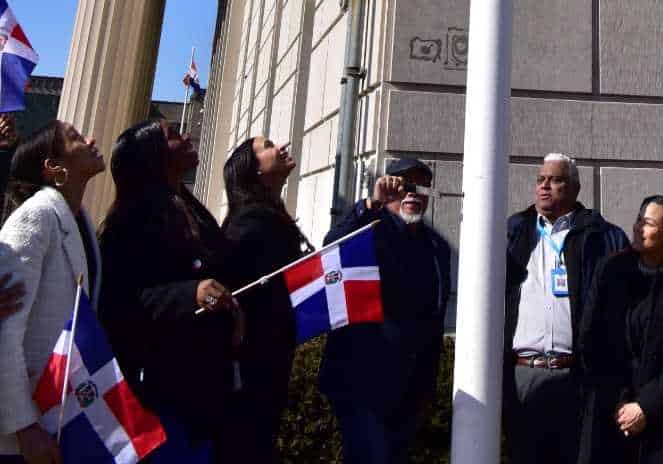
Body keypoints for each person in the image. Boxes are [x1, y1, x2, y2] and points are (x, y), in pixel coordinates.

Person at [98, 119, 240, 461]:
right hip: (164, 395)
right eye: (173, 135)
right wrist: (189, 293)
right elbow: (120, 304)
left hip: (207, 389)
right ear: (152, 156)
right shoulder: (129, 222)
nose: (188, 136)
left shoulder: (189, 209)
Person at [319, 157, 451, 464]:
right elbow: (331, 248)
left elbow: (435, 315)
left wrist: (428, 383)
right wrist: (370, 204)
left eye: (421, 187)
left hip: (411, 386)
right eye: (405, 186)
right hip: (363, 383)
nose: (413, 194)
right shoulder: (370, 229)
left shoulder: (436, 247)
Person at [504, 153, 628, 464]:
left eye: (555, 180)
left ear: (575, 188)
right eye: (540, 180)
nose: (545, 186)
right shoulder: (514, 231)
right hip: (524, 374)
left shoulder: (602, 236)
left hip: (576, 376)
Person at [0, 121, 104, 463]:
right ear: (54, 168)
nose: (91, 140)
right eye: (75, 138)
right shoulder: (35, 217)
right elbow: (4, 330)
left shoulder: (79, 223)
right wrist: (23, 426)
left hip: (60, 417)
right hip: (22, 437)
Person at [577, 194, 663, 464]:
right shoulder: (611, 271)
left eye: (647, 223)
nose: (637, 228)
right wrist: (621, 403)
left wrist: (646, 405)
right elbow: (591, 341)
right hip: (611, 417)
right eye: (638, 220)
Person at [217, 136, 310, 462]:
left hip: (267, 374)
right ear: (253, 170)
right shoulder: (249, 226)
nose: (282, 146)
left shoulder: (267, 219)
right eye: (269, 145)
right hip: (252, 380)